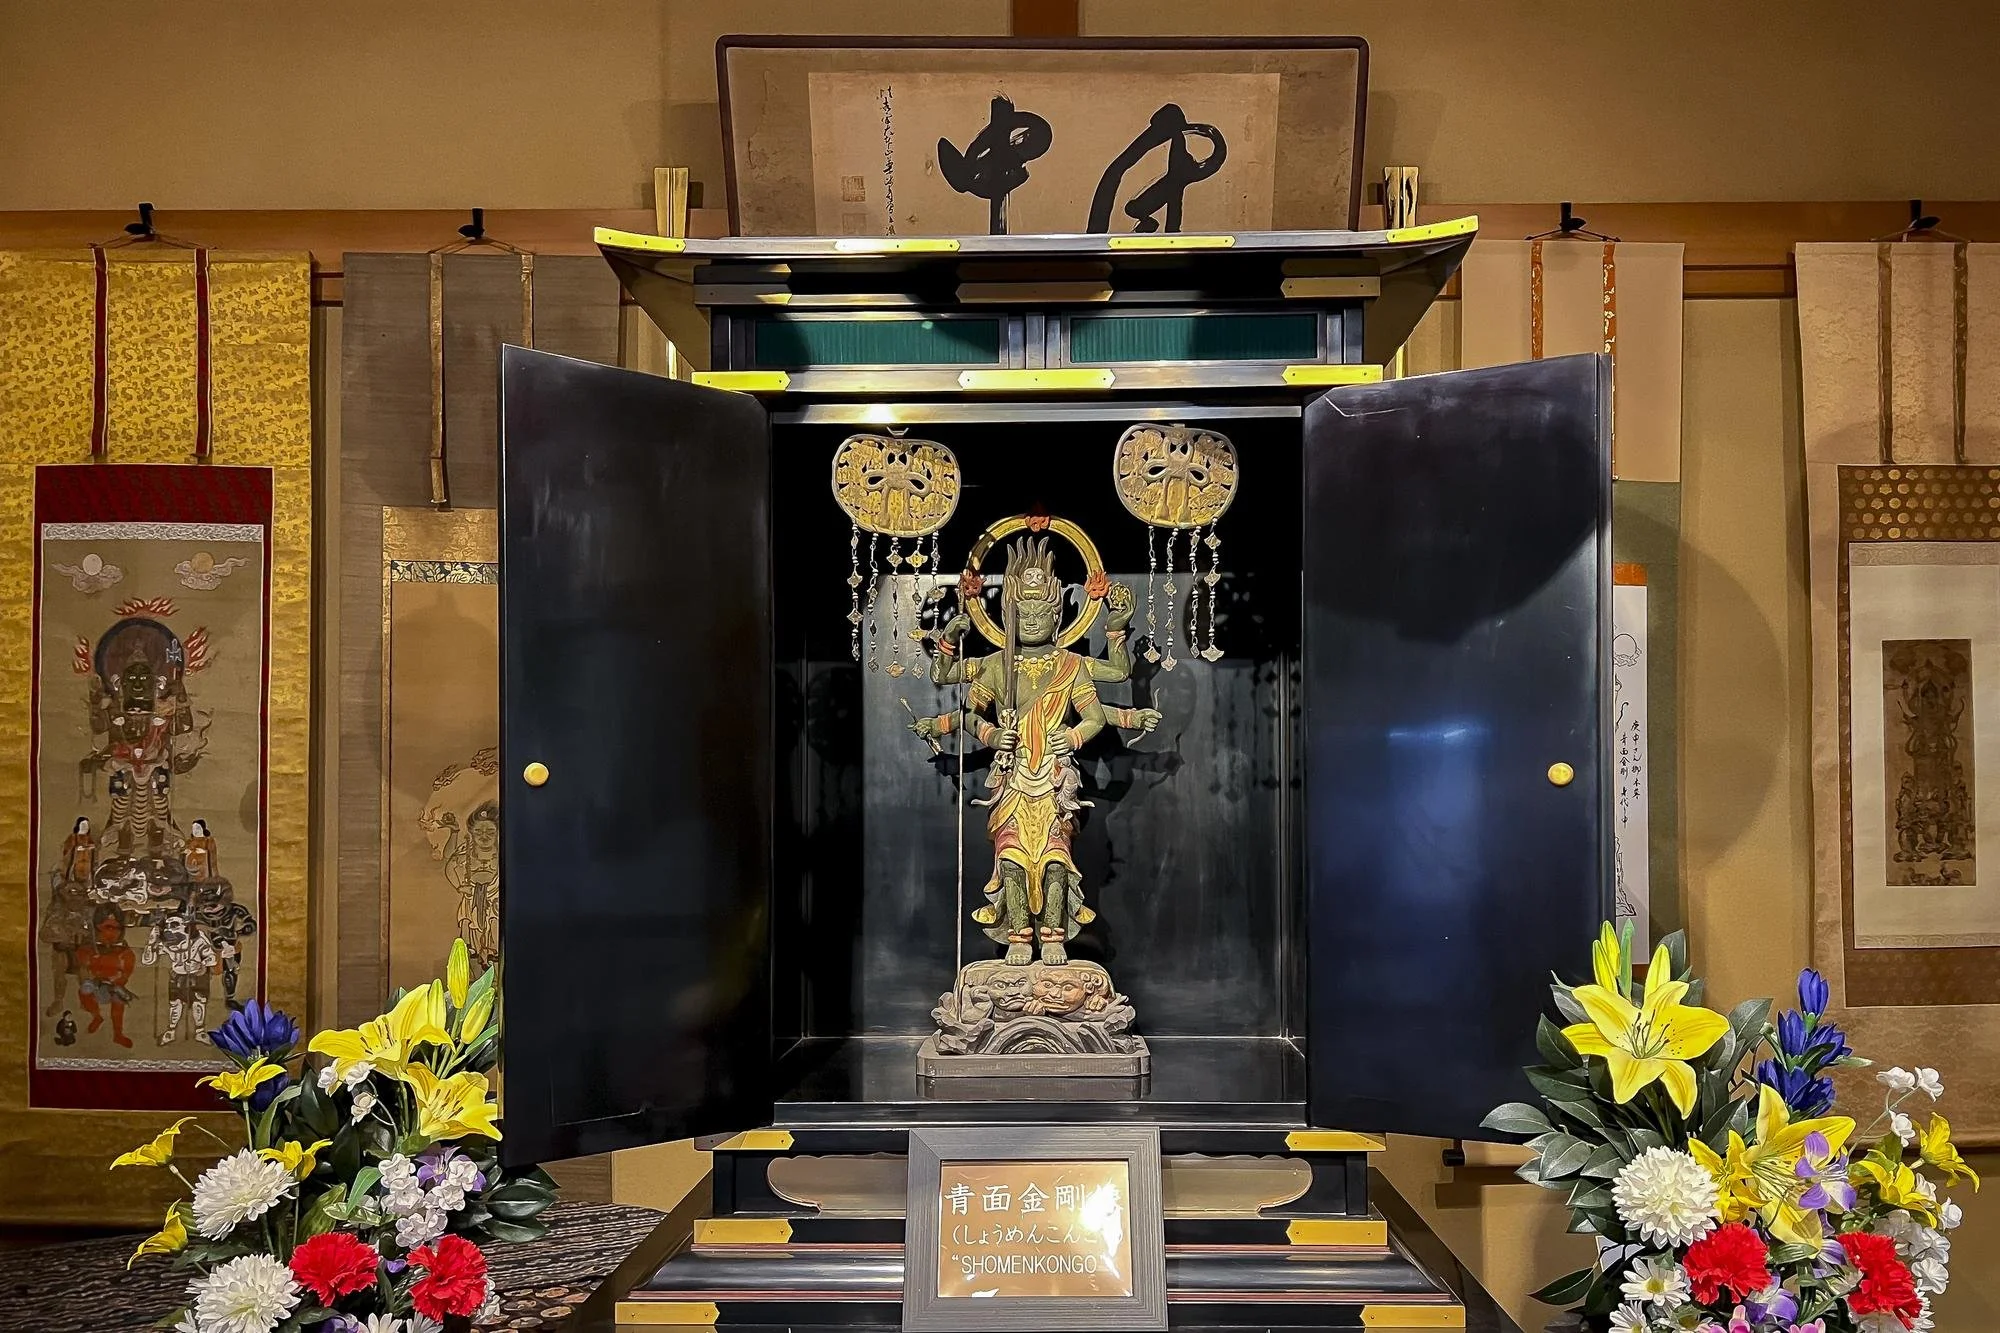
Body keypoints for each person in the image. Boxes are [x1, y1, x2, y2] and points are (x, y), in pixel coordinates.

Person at [77, 907, 137, 1048]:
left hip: (113, 983)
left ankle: (118, 1034)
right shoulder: (89, 947)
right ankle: (96, 1017)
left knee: (118, 999)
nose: (111, 932)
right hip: (95, 981)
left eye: (115, 928)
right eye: (106, 927)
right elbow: (83, 964)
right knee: (85, 988)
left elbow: (126, 971)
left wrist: (116, 982)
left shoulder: (124, 951)